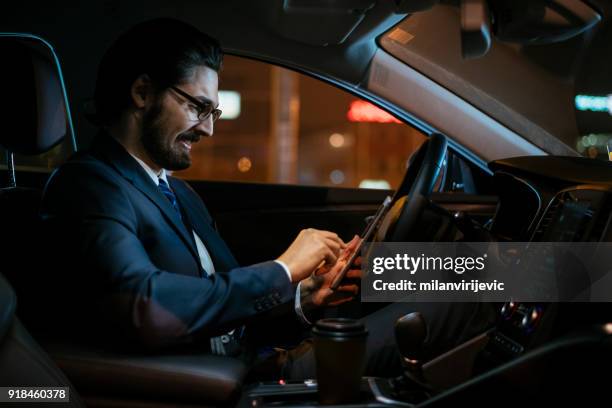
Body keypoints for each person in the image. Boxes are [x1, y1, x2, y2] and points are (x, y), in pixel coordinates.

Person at [40, 18, 495, 380]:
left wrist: (304, 298)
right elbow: (144, 306)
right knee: (472, 293)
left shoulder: (177, 192)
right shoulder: (87, 185)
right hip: (212, 384)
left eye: (212, 112)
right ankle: (551, 273)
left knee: (464, 278)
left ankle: (541, 271)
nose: (209, 128)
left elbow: (222, 308)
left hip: (252, 364)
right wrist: (282, 270)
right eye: (198, 107)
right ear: (141, 93)